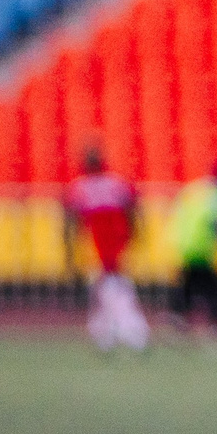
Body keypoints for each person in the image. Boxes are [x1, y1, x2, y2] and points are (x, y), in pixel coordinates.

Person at [64, 144, 146, 352]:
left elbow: (70, 222)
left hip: (101, 246)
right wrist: (136, 235)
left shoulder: (80, 187)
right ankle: (117, 334)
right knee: (113, 290)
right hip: (111, 244)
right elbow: (134, 211)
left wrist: (71, 252)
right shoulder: (116, 183)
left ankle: (125, 334)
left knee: (109, 291)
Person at [167, 165, 217, 336]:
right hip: (203, 247)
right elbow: (216, 222)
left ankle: (178, 316)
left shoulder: (194, 190)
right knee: (215, 288)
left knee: (191, 284)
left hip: (186, 245)